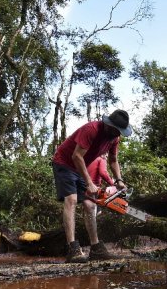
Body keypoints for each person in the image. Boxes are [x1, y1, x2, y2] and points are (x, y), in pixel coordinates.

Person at [52, 109, 131, 263]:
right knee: (72, 199)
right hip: (64, 163)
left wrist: (119, 180)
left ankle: (96, 248)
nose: (117, 134)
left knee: (90, 205)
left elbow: (113, 161)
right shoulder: (92, 129)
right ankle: (72, 249)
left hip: (79, 167)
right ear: (108, 125)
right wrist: (89, 182)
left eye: (119, 132)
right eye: (116, 130)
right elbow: (76, 156)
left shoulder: (114, 138)